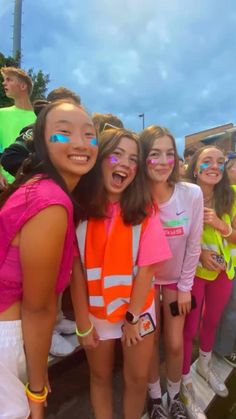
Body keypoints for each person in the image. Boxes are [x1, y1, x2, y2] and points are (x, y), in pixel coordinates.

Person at [0, 99, 98, 418]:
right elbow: (38, 307)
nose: (81, 142)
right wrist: (38, 390)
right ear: (42, 142)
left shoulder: (39, 189)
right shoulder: (51, 203)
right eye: (64, 133)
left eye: (89, 134)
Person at [71, 128, 171, 419]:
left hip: (137, 312)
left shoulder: (144, 208)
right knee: (99, 377)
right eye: (116, 154)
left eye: (133, 159)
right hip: (96, 311)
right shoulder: (79, 209)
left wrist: (131, 317)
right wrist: (81, 322)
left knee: (137, 379)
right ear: (100, 158)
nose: (125, 164)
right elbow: (75, 270)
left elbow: (147, 269)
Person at [139, 126, 204, 419]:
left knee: (175, 343)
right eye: (154, 154)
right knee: (149, 342)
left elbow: (194, 243)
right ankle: (155, 399)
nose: (164, 161)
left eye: (169, 153)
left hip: (178, 282)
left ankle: (175, 397)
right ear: (142, 159)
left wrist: (185, 286)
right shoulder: (135, 198)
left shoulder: (191, 193)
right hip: (146, 283)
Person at [183, 146, 236, 409]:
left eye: (220, 161)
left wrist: (220, 224)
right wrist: (201, 253)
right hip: (192, 274)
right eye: (207, 161)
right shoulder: (183, 196)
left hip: (224, 272)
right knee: (188, 328)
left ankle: (204, 366)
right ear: (195, 168)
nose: (214, 166)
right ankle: (183, 380)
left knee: (212, 321)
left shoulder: (231, 196)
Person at [214, 153, 236, 368]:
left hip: (228, 262)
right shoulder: (224, 195)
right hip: (223, 263)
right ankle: (222, 349)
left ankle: (223, 347)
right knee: (228, 308)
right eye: (233, 168)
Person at [0, 66, 36, 186]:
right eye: (4, 80)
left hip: (31, 183)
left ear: (23, 86)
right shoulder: (1, 114)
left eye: (9, 80)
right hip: (5, 185)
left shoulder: (40, 118)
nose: (4, 83)